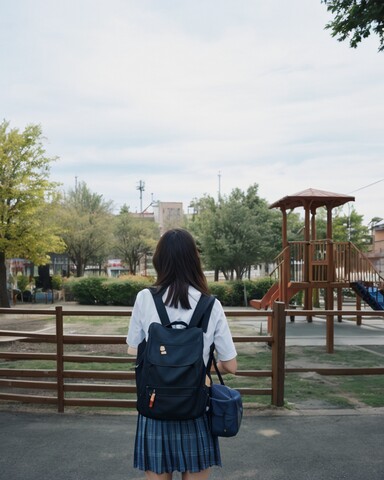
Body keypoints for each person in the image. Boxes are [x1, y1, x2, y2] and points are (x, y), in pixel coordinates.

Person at [127, 228, 237, 480]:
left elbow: (134, 348)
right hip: (196, 406)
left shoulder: (145, 298)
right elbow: (231, 365)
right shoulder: (211, 304)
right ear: (194, 260)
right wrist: (197, 365)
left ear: (159, 260)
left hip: (156, 406)